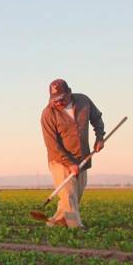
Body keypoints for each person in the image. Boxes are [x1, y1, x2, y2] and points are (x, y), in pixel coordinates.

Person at [40, 78, 105, 228]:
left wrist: (100, 137)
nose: (58, 103)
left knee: (73, 197)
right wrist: (69, 164)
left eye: (61, 99)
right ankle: (76, 228)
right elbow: (52, 145)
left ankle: (56, 222)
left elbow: (97, 119)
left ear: (69, 93)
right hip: (59, 160)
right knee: (68, 195)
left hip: (82, 157)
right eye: (54, 100)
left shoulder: (83, 101)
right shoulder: (48, 114)